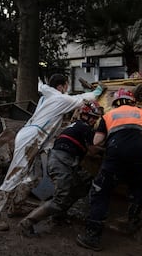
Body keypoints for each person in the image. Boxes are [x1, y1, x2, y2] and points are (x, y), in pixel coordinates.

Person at [0, 74, 105, 231]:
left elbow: (41, 85)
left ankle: (15, 207)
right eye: (66, 85)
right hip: (33, 138)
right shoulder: (60, 99)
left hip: (35, 137)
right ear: (60, 86)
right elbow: (82, 99)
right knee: (16, 174)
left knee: (34, 176)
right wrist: (98, 91)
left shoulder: (46, 94)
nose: (67, 89)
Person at [76, 87, 142, 251]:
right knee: (137, 187)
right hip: (139, 156)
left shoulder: (108, 116)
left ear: (115, 102)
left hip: (116, 157)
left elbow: (96, 141)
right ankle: (133, 222)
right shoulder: (140, 112)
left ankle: (92, 237)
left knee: (100, 192)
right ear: (132, 101)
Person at [17, 101, 103, 237]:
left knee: (83, 184)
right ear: (84, 115)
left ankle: (58, 215)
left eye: (95, 118)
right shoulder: (84, 127)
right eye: (92, 116)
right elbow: (92, 150)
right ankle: (26, 223)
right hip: (62, 162)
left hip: (64, 162)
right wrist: (109, 149)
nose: (94, 120)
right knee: (60, 199)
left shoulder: (75, 125)